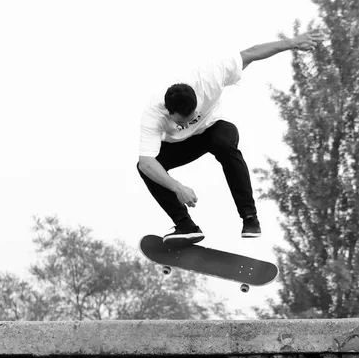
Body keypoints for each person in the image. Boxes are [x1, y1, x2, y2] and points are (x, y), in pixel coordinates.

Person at [138, 31, 322, 245]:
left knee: (223, 143)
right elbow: (147, 162)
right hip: (181, 145)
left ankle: (249, 217)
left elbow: (251, 54)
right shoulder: (153, 113)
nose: (187, 122)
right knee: (148, 170)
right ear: (169, 112)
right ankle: (185, 226)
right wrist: (178, 187)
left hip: (215, 128)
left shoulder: (210, 77)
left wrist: (292, 43)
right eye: (181, 121)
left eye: (192, 116)